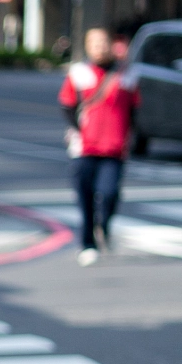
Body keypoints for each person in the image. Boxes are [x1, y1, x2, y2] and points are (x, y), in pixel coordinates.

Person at [58, 26, 139, 266]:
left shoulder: (127, 75)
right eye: (95, 44)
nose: (100, 48)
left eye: (103, 43)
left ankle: (104, 225)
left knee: (110, 192)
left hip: (114, 147)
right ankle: (87, 243)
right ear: (87, 47)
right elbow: (67, 105)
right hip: (84, 147)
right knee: (85, 196)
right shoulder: (79, 73)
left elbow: (134, 109)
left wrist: (129, 136)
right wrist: (79, 129)